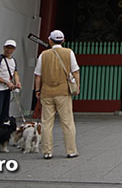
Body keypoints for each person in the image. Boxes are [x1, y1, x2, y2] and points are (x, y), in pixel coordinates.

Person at [34, 29, 80, 159]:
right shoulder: (69, 53)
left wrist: (37, 90)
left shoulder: (43, 55)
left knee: (47, 123)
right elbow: (75, 71)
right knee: (67, 122)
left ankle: (47, 151)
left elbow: (38, 75)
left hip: (47, 92)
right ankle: (71, 150)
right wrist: (77, 87)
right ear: (63, 40)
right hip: (63, 92)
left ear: (50, 40)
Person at [0, 39, 21, 127]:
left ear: (14, 49)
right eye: (8, 47)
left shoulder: (13, 60)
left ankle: (1, 132)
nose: (9, 50)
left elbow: (15, 73)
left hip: (7, 89)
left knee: (5, 113)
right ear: (4, 48)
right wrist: (6, 82)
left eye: (11, 48)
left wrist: (17, 82)